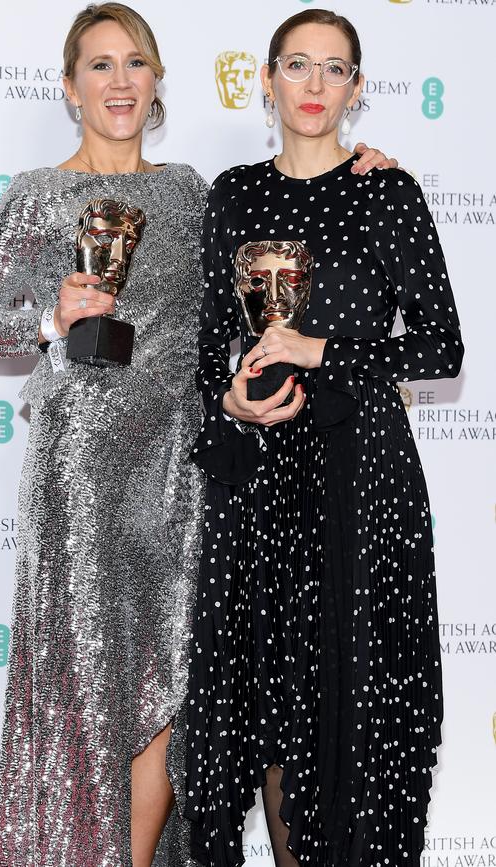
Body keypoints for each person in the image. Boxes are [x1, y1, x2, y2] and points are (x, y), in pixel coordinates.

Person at [0, 3, 396, 864]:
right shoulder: (38, 196)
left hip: (182, 474)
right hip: (78, 482)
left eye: (134, 64)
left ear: (155, 85)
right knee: (89, 690)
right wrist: (48, 318)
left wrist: (362, 167)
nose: (119, 81)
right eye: (100, 66)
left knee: (171, 690)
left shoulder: (192, 191)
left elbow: (279, 246)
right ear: (69, 87)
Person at [184, 8, 463, 867]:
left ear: (357, 88)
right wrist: (229, 400)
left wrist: (323, 349)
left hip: (363, 479)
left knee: (355, 701)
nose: (313, 86)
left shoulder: (389, 191)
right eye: (296, 65)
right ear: (266, 80)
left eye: (333, 69)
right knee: (272, 708)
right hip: (265, 479)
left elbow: (440, 345)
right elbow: (204, 350)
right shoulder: (233, 192)